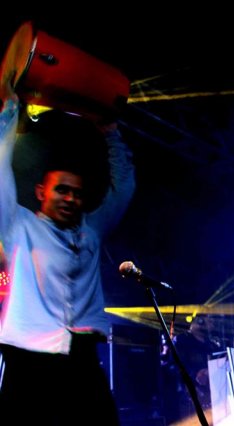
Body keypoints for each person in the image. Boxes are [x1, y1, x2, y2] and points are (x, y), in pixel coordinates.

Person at [0, 72, 135, 424]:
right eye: (62, 190)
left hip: (81, 355)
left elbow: (123, 187)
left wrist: (110, 133)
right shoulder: (18, 225)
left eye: (77, 193)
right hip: (29, 356)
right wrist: (10, 112)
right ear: (41, 192)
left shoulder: (92, 229)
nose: (71, 198)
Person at [164, 314, 223, 422]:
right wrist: (196, 374)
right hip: (190, 397)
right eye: (210, 320)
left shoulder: (212, 345)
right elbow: (174, 366)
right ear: (199, 321)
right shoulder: (182, 341)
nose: (213, 324)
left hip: (213, 396)